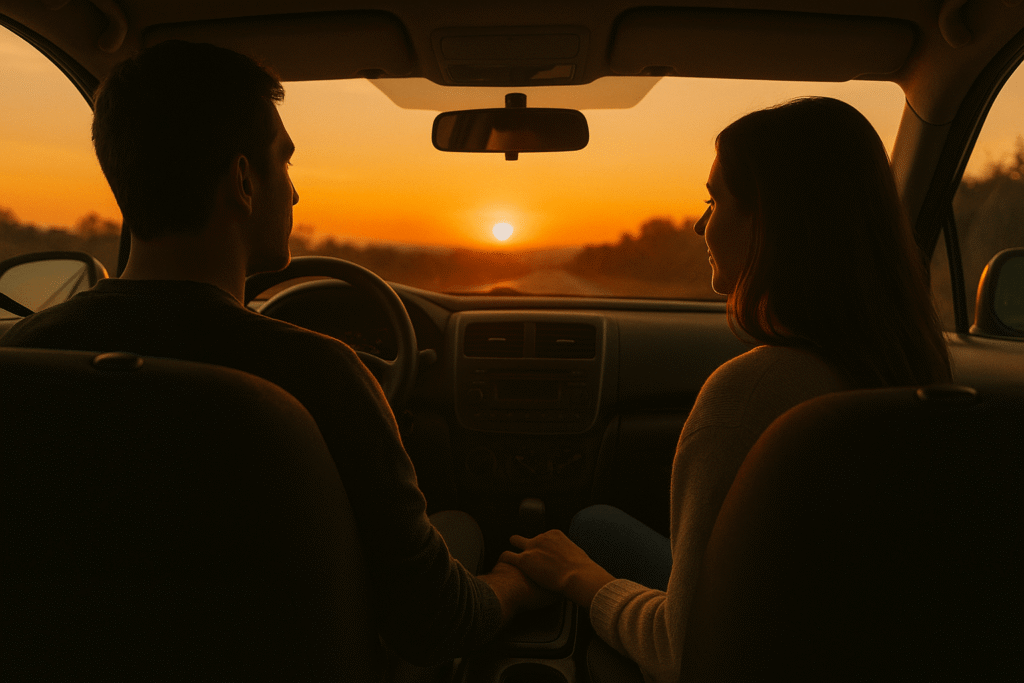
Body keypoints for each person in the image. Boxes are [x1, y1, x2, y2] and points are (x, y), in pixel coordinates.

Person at [0, 40, 551, 667]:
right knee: (463, 529)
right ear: (243, 180)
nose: (294, 195)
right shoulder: (318, 374)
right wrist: (517, 585)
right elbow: (433, 621)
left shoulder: (25, 357)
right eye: (284, 162)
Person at [500, 97, 952, 683]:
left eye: (713, 201)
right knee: (600, 525)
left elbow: (683, 653)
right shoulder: (915, 366)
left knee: (588, 532)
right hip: (858, 646)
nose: (699, 224)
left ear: (770, 223)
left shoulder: (749, 393)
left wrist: (579, 580)